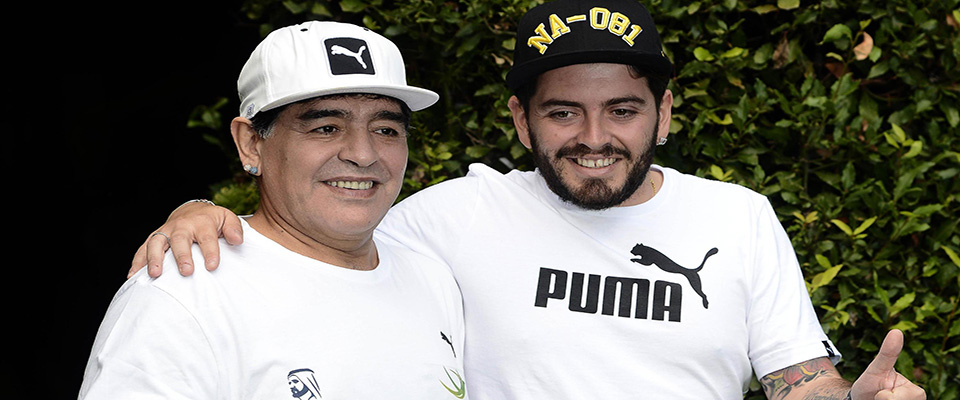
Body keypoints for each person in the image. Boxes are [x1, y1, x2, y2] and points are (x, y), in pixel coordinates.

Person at [129, 1, 927, 399]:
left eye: (622, 109)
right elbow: (319, 234)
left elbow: (798, 378)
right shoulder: (441, 222)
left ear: (666, 111)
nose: (593, 137)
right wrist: (203, 216)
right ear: (519, 118)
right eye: (560, 111)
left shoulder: (738, 217)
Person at [79, 20, 468, 399]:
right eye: (326, 127)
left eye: (386, 130)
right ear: (251, 143)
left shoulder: (433, 279)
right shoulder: (186, 293)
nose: (362, 155)